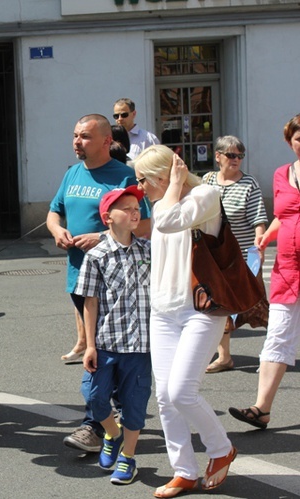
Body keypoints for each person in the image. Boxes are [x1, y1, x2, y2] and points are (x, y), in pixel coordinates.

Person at [134, 145, 237, 498]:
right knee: (164, 396)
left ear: (164, 174)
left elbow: (168, 220)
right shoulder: (162, 201)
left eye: (144, 180)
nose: (140, 188)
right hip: (163, 310)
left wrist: (175, 185)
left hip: (201, 308)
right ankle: (184, 470)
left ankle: (221, 448)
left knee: (181, 391)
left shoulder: (205, 195)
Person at [46, 114, 151, 453]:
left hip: (116, 281)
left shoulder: (124, 177)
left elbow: (144, 226)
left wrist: (101, 236)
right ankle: (114, 424)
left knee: (107, 357)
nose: (78, 142)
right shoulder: (72, 173)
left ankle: (96, 425)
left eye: (86, 137)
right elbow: (54, 211)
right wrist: (57, 230)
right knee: (101, 353)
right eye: (75, 135)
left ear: (107, 141)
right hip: (80, 276)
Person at [76, 185, 152, 485]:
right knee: (94, 396)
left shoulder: (149, 249)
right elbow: (90, 302)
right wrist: (90, 345)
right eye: (127, 208)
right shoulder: (96, 256)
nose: (135, 212)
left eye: (137, 207)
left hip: (140, 345)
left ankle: (128, 457)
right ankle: (111, 433)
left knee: (135, 404)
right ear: (108, 217)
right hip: (107, 343)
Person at [228, 114, 300, 431]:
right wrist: (265, 236)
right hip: (287, 268)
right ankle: (261, 409)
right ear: (290, 142)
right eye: (298, 138)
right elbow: (283, 216)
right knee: (277, 336)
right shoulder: (282, 174)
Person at [202, 135, 268, 373]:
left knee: (255, 305)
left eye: (240, 155)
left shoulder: (249, 183)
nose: (236, 160)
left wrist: (257, 249)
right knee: (220, 305)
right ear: (218, 156)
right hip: (214, 254)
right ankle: (225, 356)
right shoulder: (207, 180)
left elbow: (259, 220)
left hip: (239, 256)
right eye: (231, 155)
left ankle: (273, 355)